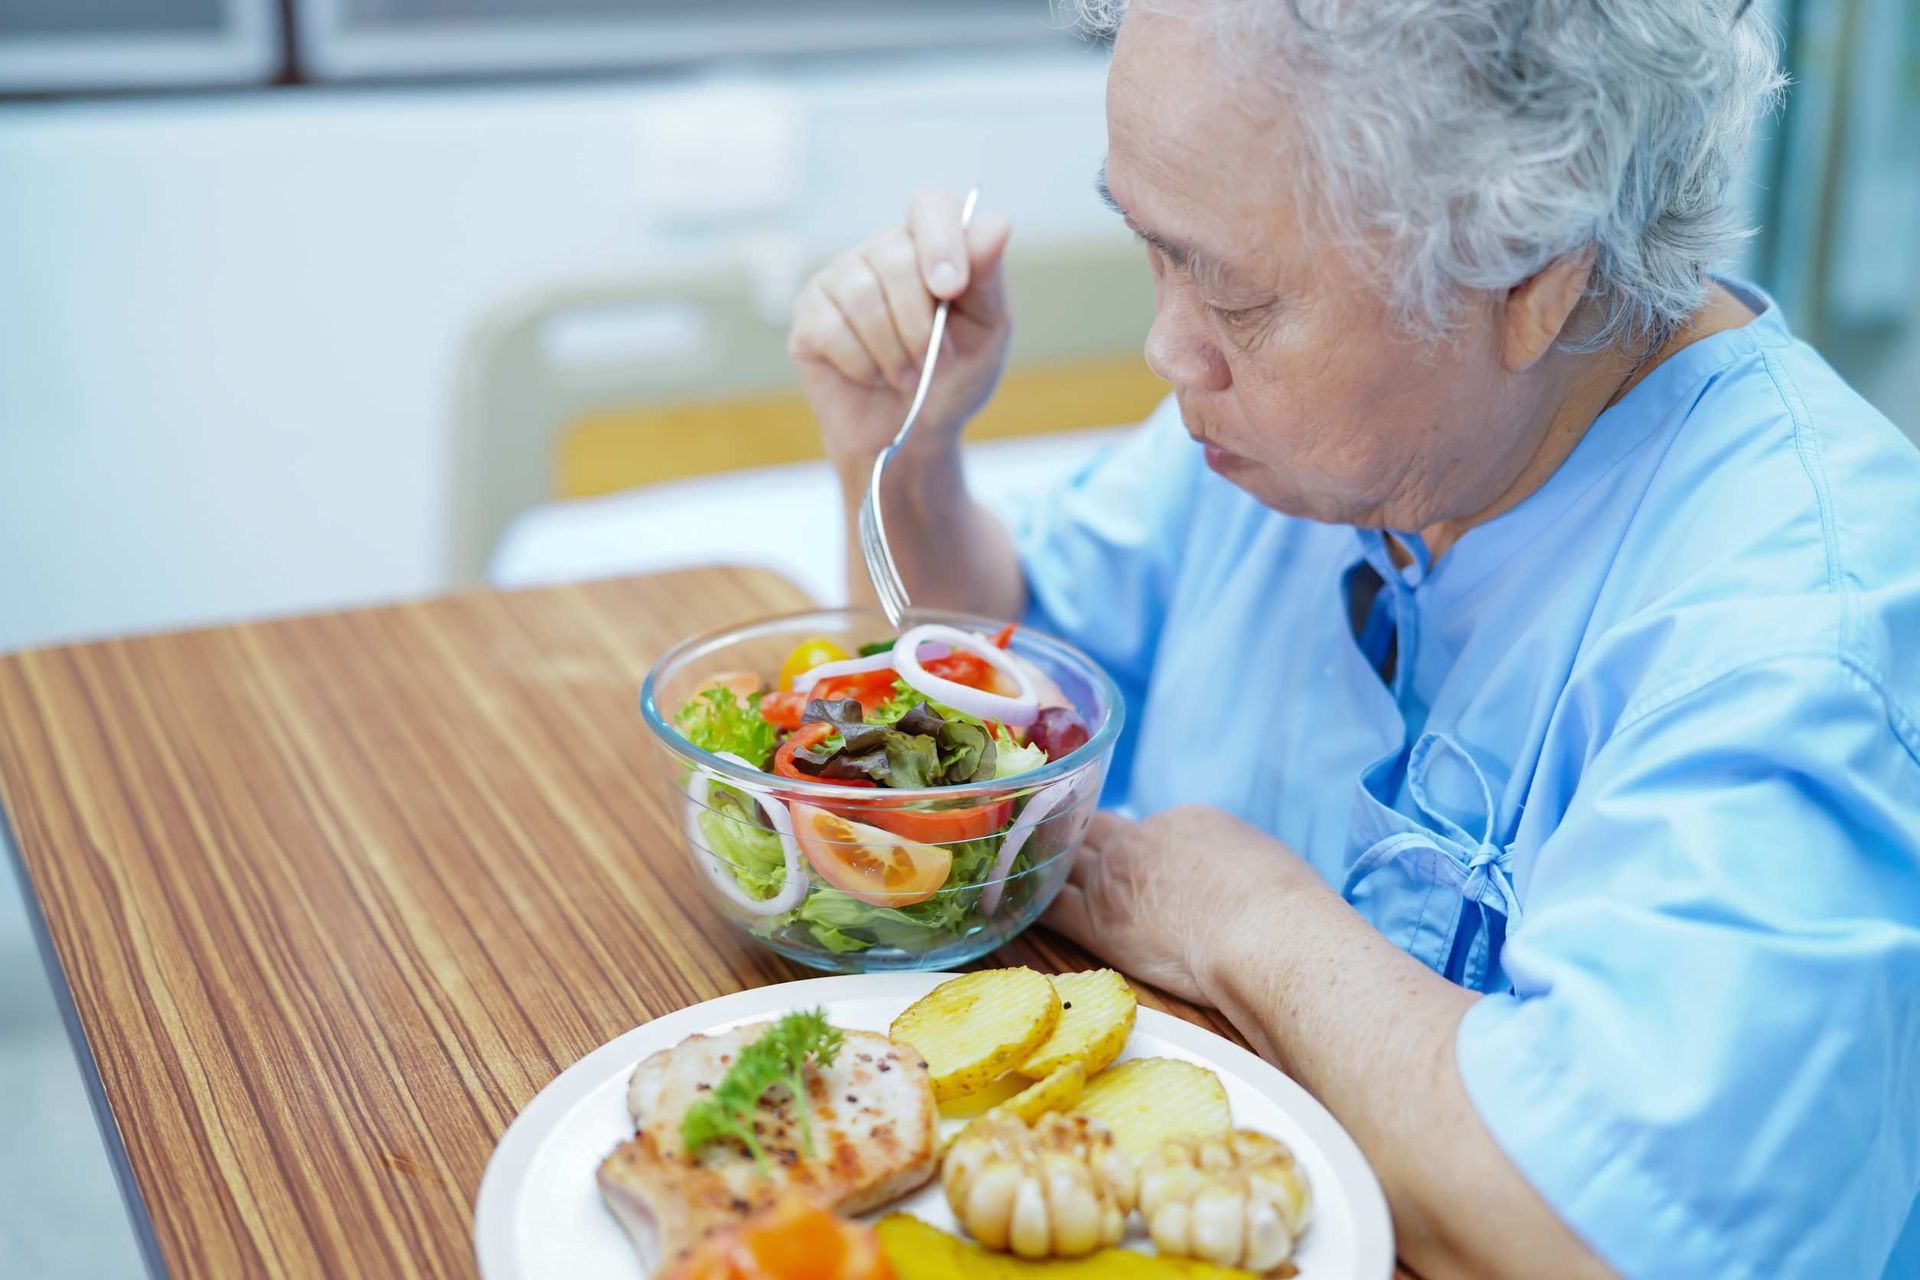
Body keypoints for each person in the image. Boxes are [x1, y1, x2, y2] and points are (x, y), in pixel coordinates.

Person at [787, 2, 1920, 1276]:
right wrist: (907, 456)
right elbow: (993, 713)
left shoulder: (1794, 642)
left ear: (1532, 275)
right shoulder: (1296, 449)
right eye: (1149, 248)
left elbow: (1611, 1231)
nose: (1169, 350)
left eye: (1233, 291)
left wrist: (1247, 915)